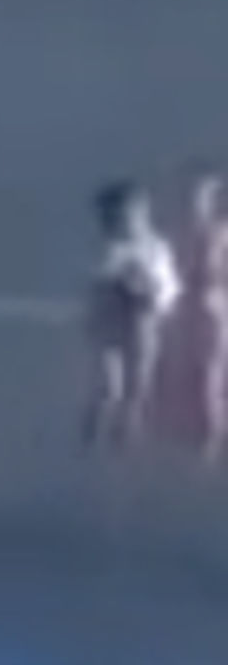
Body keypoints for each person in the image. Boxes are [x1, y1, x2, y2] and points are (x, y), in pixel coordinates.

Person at [87, 180, 181, 450]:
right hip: (108, 324)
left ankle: (124, 438)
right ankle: (92, 432)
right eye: (125, 215)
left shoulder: (156, 247)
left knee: (138, 386)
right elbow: (98, 277)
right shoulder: (108, 248)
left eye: (138, 213)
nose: (133, 220)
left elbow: (169, 285)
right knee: (109, 387)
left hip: (144, 323)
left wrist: (156, 296)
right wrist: (126, 278)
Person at [164, 172, 228, 458]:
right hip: (187, 307)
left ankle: (212, 436)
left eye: (202, 196)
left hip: (213, 307)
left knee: (211, 374)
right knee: (193, 373)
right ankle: (201, 432)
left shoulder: (221, 232)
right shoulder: (179, 233)